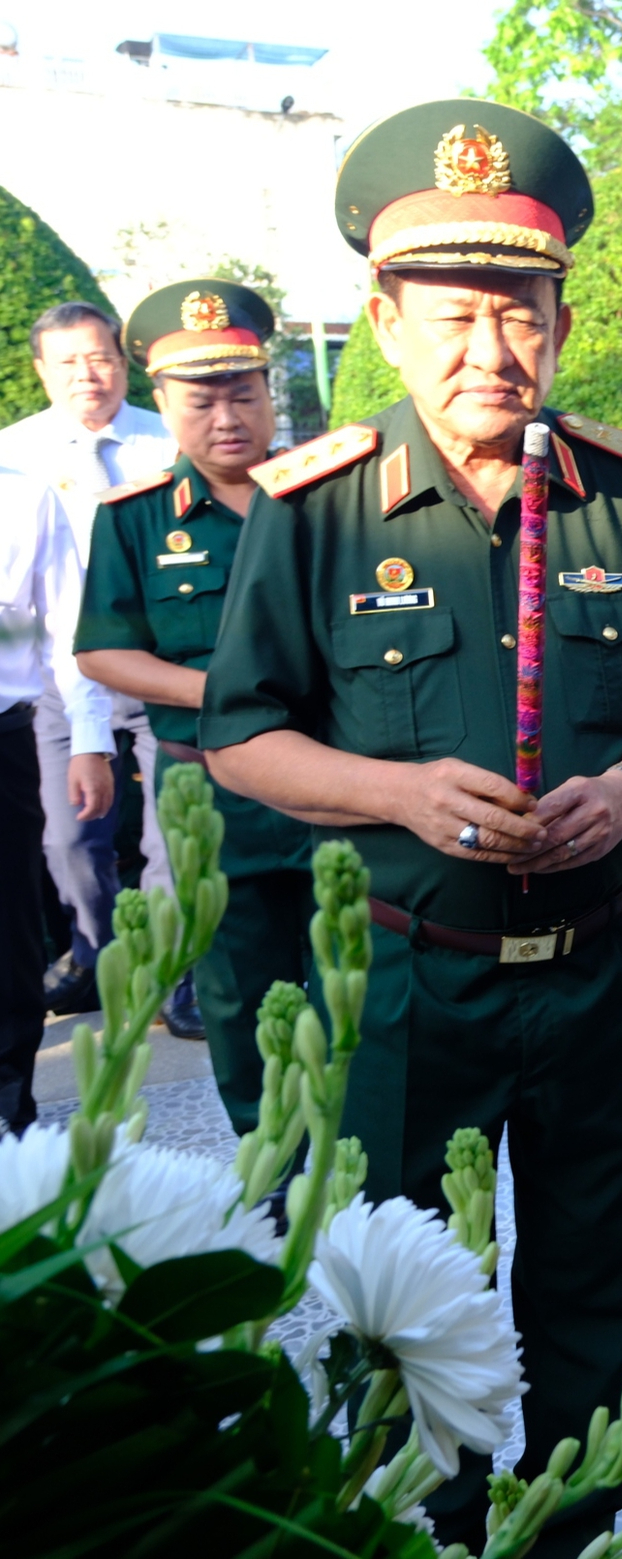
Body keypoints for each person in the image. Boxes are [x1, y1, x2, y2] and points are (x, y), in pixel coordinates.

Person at [198, 100, 622, 1554]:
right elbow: (239, 736)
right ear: (384, 321)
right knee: (413, 1307)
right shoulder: (314, 510)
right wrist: (396, 792)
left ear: (563, 320)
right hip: (408, 980)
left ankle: (571, 1526)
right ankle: (430, 1529)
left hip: (601, 972)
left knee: (586, 1284)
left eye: (521, 315)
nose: (490, 352)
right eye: (452, 317)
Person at [73, 279, 315, 1137]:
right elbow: (102, 647)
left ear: (266, 391)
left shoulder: (325, 500)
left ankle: (357, 1149)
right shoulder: (136, 520)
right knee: (238, 987)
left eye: (242, 393)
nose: (226, 418)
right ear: (163, 403)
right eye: (200, 398)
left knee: (355, 971)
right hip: (210, 793)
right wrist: (221, 689)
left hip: (333, 781)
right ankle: (269, 1158)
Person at [0, 302, 180, 1028]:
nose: (87, 374)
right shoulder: (13, 456)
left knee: (173, 824)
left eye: (99, 357)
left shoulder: (168, 441)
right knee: (68, 836)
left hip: (159, 660)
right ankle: (98, 958)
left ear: (123, 361)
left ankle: (174, 970)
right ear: (42, 370)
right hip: (54, 673)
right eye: (67, 361)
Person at [0, 467, 107, 1131]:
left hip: (2, 734)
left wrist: (89, 739)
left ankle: (11, 1115)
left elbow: (67, 627)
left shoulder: (21, 494)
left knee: (8, 934)